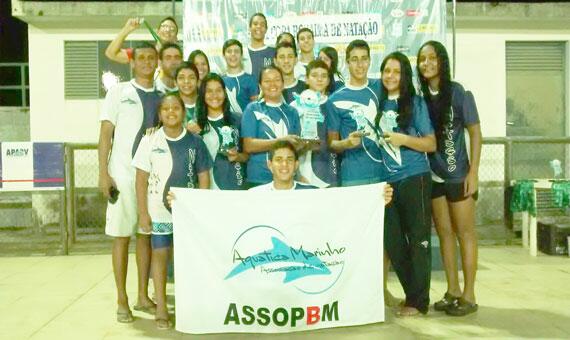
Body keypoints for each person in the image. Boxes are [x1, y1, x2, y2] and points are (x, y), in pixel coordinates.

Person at [326, 40, 399, 308]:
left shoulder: (381, 89)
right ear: (347, 62)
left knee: (382, 236)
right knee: (355, 235)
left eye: (363, 58)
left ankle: (380, 288)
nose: (359, 64)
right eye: (354, 59)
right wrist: (347, 143)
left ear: (370, 61)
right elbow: (332, 142)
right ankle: (353, 292)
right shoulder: (335, 99)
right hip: (353, 175)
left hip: (382, 173)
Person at [133, 93, 212, 329]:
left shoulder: (195, 142)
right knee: (160, 255)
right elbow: (140, 180)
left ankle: (188, 304)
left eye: (175, 108)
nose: (171, 112)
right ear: (159, 114)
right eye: (165, 109)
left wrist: (199, 207)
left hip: (187, 211)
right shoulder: (150, 141)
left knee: (186, 258)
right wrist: (143, 213)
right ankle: (160, 307)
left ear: (183, 111)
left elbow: (203, 177)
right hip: (158, 210)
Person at [98, 42, 162, 323]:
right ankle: (121, 299)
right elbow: (105, 136)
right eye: (142, 58)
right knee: (122, 237)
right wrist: (104, 172)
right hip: (122, 176)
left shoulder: (162, 97)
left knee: (145, 236)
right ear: (132, 63)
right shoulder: (118, 92)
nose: (147, 62)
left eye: (152, 58)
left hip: (150, 180)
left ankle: (142, 295)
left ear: (157, 63)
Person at [417, 40, 482, 316]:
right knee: (444, 234)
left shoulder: (458, 93)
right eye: (422, 59)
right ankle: (452, 289)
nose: (427, 63)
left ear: (441, 61)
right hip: (434, 175)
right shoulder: (420, 97)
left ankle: (469, 294)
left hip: (459, 176)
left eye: (432, 58)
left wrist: (474, 172)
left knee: (465, 234)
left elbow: (476, 133)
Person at [377, 51, 436, 316]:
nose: (390, 76)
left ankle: (418, 301)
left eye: (396, 71)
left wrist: (404, 140)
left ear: (404, 76)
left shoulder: (415, 103)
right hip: (389, 183)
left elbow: (431, 143)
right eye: (386, 71)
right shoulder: (378, 103)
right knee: (394, 241)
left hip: (415, 178)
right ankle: (412, 295)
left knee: (418, 241)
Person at [241, 65, 302, 187]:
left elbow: (295, 146)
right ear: (260, 85)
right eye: (267, 81)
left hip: (286, 179)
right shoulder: (253, 109)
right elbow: (248, 146)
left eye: (277, 80)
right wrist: (281, 141)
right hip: (258, 178)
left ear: (283, 84)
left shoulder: (292, 111)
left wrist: (305, 145)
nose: (272, 84)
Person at [194, 73, 248, 189]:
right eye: (209, 91)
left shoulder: (239, 119)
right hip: (209, 188)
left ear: (225, 93)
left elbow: (248, 156)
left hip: (237, 187)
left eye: (218, 90)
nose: (214, 95)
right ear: (203, 94)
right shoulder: (196, 125)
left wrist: (237, 156)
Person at [290, 60, 338, 188]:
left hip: (324, 166)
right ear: (306, 79)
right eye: (315, 75)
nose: (319, 79)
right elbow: (289, 141)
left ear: (328, 80)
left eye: (323, 76)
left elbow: (333, 140)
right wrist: (303, 145)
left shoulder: (331, 106)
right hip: (300, 166)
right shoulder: (294, 106)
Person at [105, 17, 179, 64]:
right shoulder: (142, 53)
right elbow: (111, 53)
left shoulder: (178, 61)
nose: (168, 30)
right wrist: (126, 29)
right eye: (164, 26)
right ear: (158, 32)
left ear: (176, 39)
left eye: (172, 29)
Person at [222, 39, 259, 114]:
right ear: (224, 55)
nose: (233, 54)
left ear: (242, 55)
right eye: (229, 51)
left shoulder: (250, 79)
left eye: (236, 51)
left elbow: (256, 108)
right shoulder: (219, 80)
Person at [243, 13, 276, 83]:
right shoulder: (242, 53)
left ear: (266, 29)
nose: (259, 26)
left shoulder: (274, 52)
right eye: (255, 24)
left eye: (262, 25)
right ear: (249, 28)